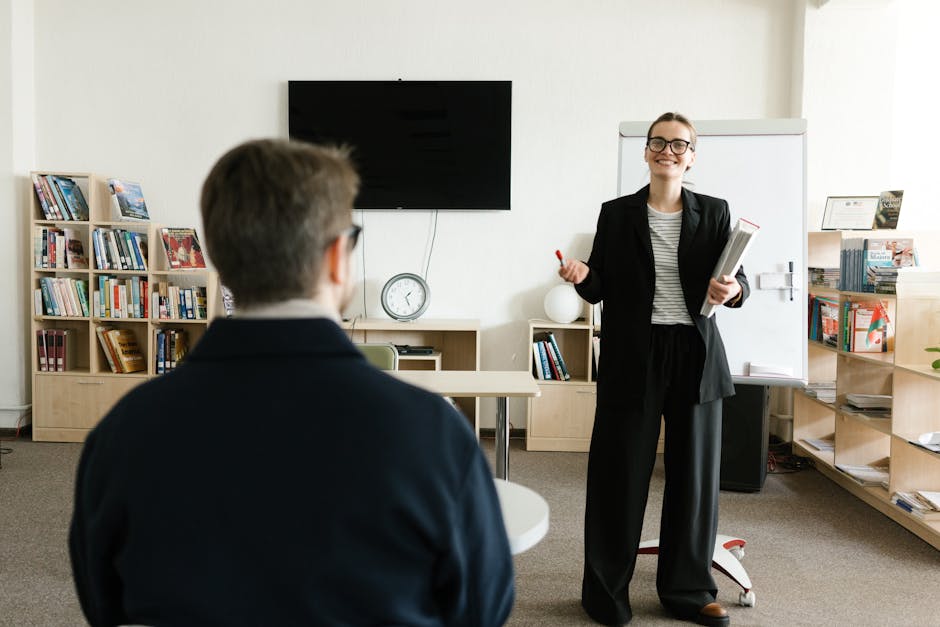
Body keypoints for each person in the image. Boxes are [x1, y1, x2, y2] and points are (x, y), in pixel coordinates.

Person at [69, 139, 514, 626]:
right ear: (337, 257)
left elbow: (103, 603)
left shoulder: (124, 432)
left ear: (218, 255)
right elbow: (482, 610)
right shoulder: (435, 433)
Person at [559, 112, 749, 627]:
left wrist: (731, 290)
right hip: (632, 354)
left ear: (692, 155)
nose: (668, 150)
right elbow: (600, 286)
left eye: (679, 144)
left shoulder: (714, 212)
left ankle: (688, 591)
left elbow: (737, 280)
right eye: (658, 142)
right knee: (619, 473)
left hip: (695, 354)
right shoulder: (616, 214)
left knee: (693, 477)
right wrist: (581, 276)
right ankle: (605, 593)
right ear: (646, 152)